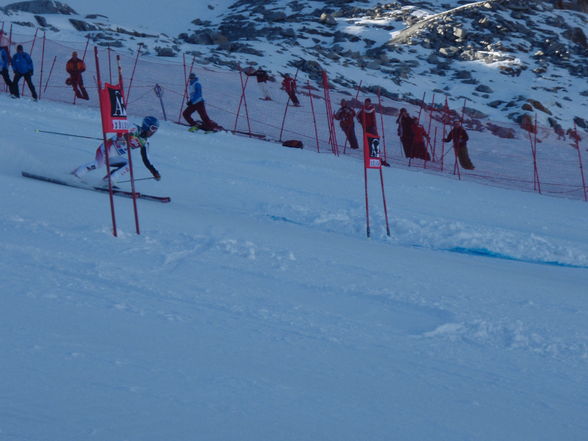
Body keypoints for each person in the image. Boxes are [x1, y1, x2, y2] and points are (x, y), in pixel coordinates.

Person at [72, 116, 161, 185]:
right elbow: (121, 129)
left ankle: (108, 181)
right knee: (98, 164)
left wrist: (154, 172)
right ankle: (75, 175)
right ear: (146, 126)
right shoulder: (134, 128)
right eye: (153, 128)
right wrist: (123, 137)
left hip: (114, 156)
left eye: (156, 129)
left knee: (128, 165)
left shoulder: (145, 142)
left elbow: (146, 159)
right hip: (106, 148)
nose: (153, 132)